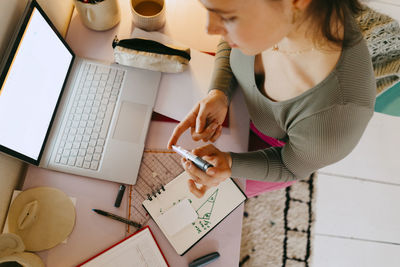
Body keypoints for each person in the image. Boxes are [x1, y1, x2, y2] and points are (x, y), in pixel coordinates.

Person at [167, 0, 376, 198]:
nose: (209, 29)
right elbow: (229, 44)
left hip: (276, 150)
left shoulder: (334, 119)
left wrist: (231, 164)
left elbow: (288, 166)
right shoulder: (268, 24)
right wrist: (220, 92)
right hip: (244, 110)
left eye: (228, 17)